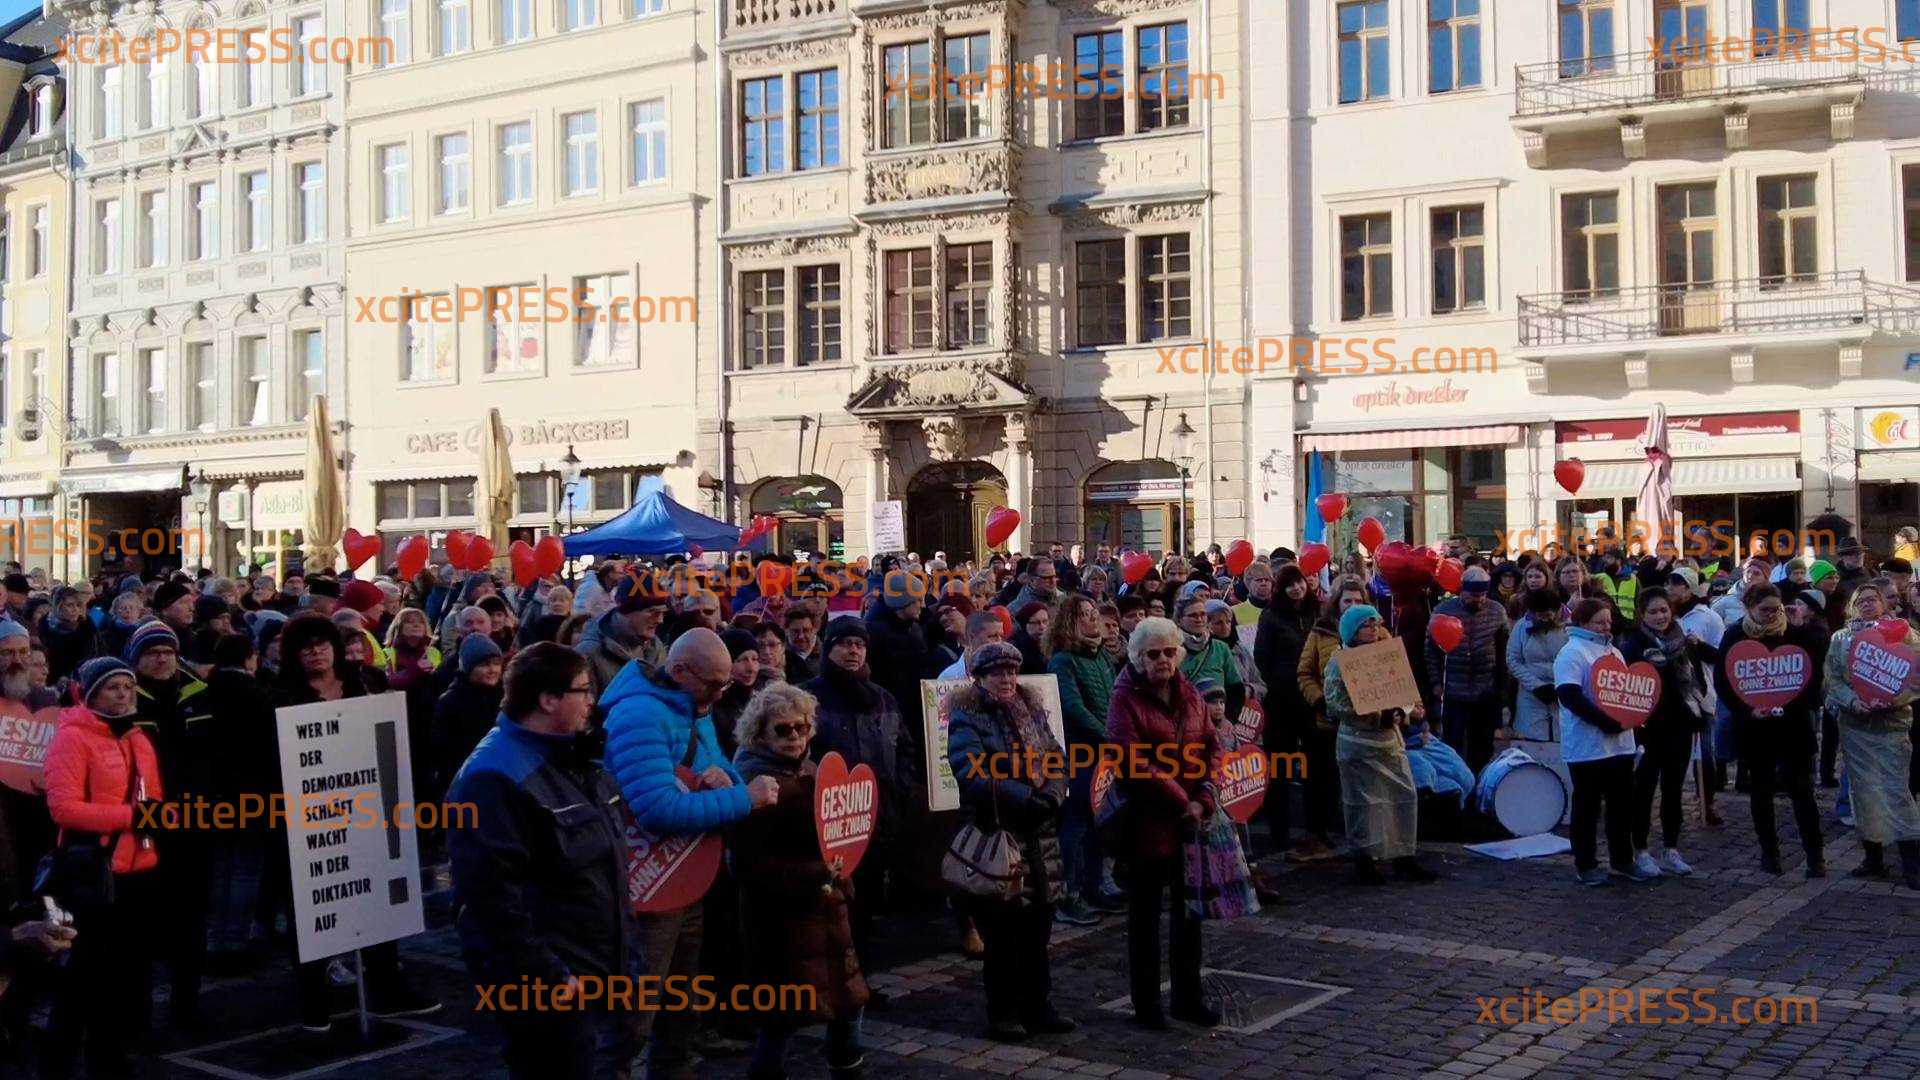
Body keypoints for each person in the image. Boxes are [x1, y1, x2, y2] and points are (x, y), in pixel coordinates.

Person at [601, 628, 780, 1078]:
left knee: (681, 1003)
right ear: (679, 670)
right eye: (714, 684)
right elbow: (657, 809)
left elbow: (717, 770)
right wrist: (745, 799)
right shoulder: (640, 715)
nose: (721, 694)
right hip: (649, 883)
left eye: (725, 685)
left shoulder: (691, 705)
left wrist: (734, 786)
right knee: (635, 1012)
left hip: (687, 875)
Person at [449, 643, 632, 1080]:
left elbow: (604, 859)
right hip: (551, 984)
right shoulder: (493, 778)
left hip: (591, 965)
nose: (593, 701)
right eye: (584, 691)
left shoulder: (571, 754)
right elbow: (492, 903)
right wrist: (550, 978)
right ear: (548, 700)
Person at [274, 615, 440, 1029]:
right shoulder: (281, 695)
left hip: (368, 806)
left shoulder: (366, 682)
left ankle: (387, 987)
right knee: (315, 906)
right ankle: (314, 999)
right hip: (310, 817)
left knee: (377, 895)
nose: (315, 651)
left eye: (321, 643)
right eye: (305, 646)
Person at [730, 685, 868, 1079]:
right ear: (760, 734)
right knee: (781, 1020)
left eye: (802, 728)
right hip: (780, 922)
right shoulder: (753, 784)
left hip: (828, 911)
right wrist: (817, 873)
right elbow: (747, 866)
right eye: (783, 729)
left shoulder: (813, 769)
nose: (794, 737)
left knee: (847, 1004)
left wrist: (842, 879)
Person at [41, 658, 164, 1078]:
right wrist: (131, 818)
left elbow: (153, 800)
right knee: (80, 982)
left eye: (128, 687)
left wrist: (154, 820)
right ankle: (56, 1064)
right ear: (91, 693)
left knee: (124, 980)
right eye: (113, 687)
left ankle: (109, 1060)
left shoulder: (137, 737)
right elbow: (64, 808)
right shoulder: (72, 738)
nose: (124, 694)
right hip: (91, 876)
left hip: (138, 871)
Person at [946, 642, 1072, 1041]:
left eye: (1010, 671)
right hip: (1000, 832)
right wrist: (1022, 797)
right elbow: (970, 770)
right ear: (979, 678)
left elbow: (1055, 755)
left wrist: (1051, 793)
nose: (1005, 679)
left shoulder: (1032, 709)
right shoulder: (968, 716)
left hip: (1040, 834)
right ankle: (1003, 1010)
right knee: (1002, 932)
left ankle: (1039, 1004)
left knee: (1038, 926)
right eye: (995, 672)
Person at [1106, 617, 1221, 1030]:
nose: (1162, 660)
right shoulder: (1125, 697)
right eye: (1153, 654)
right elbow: (1131, 761)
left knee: (1189, 915)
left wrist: (1205, 797)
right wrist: (1182, 799)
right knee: (1146, 917)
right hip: (1146, 820)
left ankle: (1188, 997)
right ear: (1138, 657)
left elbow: (1213, 746)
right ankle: (1147, 1003)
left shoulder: (1189, 692)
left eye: (1169, 652)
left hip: (1188, 821)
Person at [799, 619, 916, 1007]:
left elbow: (905, 749)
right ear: (829, 648)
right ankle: (823, 990)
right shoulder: (808, 698)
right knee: (826, 911)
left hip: (874, 819)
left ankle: (858, 982)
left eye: (859, 644)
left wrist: (897, 791)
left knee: (864, 909)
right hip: (825, 824)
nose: (853, 651)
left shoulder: (882, 698)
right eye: (844, 644)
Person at [1712, 583, 1827, 878]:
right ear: (1749, 608)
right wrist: (1747, 709)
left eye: (1776, 609)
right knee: (1761, 792)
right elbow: (1724, 681)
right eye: (1764, 610)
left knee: (1801, 790)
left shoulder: (1795, 633)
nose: (1771, 615)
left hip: (1793, 726)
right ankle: (1769, 853)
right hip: (1755, 728)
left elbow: (1813, 673)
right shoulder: (1736, 634)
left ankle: (1815, 856)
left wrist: (1803, 626)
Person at [1322, 604, 1438, 886]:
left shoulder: (1387, 655)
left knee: (1403, 796)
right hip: (1358, 742)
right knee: (1364, 805)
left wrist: (1409, 710)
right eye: (1366, 625)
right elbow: (1336, 703)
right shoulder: (1339, 662)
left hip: (1390, 741)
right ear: (1353, 630)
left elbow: (1403, 690)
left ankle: (1403, 855)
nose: (1374, 630)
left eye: (1376, 624)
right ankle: (1365, 858)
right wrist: (1377, 714)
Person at [1822, 584, 1920, 887]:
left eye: (1872, 600)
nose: (1866, 604)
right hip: (1855, 727)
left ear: (1883, 603)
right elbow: (1833, 678)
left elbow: (1916, 676)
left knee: (1897, 792)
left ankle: (1912, 862)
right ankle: (1873, 858)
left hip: (1892, 725)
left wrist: (1894, 700)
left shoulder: (1905, 634)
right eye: (1860, 601)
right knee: (1863, 795)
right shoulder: (1840, 639)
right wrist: (1853, 701)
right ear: (1853, 606)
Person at [1554, 599, 1649, 886]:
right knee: (1587, 808)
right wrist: (1604, 721)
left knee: (1622, 806)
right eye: (1599, 622)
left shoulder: (1615, 651)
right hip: (1587, 745)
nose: (1606, 626)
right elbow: (1570, 696)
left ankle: (1623, 860)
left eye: (1608, 621)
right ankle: (1586, 863)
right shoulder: (1571, 653)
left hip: (1620, 744)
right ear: (1583, 623)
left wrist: (1632, 719)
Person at [1620, 588, 1713, 879]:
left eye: (1664, 610)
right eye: (1653, 612)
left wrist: (1695, 700)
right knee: (1644, 790)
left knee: (1673, 789)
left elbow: (1699, 680)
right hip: (1648, 727)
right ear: (1642, 615)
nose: (1660, 617)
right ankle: (1641, 849)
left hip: (1681, 723)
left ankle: (1671, 848)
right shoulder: (1634, 643)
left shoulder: (1685, 643)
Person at [1045, 593, 1117, 926]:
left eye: (1093, 613)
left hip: (1106, 750)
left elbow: (1114, 697)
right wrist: (1107, 734)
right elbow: (1073, 707)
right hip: (1081, 751)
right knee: (1075, 824)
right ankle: (1067, 895)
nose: (1092, 619)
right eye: (1084, 615)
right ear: (1070, 622)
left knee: (1098, 821)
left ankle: (1093, 886)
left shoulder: (1102, 657)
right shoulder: (1063, 660)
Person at [1424, 566, 1509, 776]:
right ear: (1462, 591)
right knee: (1453, 742)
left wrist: (1501, 688)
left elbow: (1503, 652)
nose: (1478, 600)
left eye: (1482, 595)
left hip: (1484, 690)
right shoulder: (1443, 611)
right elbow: (1431, 652)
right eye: (1473, 595)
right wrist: (1436, 682)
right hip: (1453, 689)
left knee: (1482, 745)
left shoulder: (1497, 611)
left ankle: (1479, 781)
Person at [436, 634, 508, 794]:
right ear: (469, 667)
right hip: (466, 782)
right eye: (484, 665)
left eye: (496, 664)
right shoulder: (451, 701)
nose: (492, 670)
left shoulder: (505, 696)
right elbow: (444, 753)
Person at [577, 575, 668, 699]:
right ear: (627, 611)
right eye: (653, 612)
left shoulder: (656, 647)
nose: (660, 620)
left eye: (663, 613)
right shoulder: (590, 654)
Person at [1507, 588, 1568, 743]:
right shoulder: (1521, 627)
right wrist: (1536, 686)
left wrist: (1563, 685)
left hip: (1562, 691)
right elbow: (1513, 659)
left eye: (1548, 615)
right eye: (1540, 615)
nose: (1545, 620)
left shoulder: (1569, 627)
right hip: (1531, 694)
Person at [1174, 595, 1241, 719]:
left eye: (1203, 614)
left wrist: (1228, 720)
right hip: (1184, 720)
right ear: (1179, 620)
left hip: (1217, 720)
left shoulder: (1221, 648)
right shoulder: (1171, 649)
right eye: (1193, 615)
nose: (1199, 619)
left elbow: (1235, 688)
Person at [709, 628, 763, 760]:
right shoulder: (714, 705)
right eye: (742, 660)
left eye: (755, 659)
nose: (751, 668)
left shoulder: (762, 698)